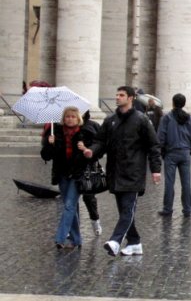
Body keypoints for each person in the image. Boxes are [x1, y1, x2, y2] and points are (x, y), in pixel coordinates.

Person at [83, 86, 162, 257]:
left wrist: (156, 169)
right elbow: (100, 141)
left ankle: (115, 241)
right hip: (115, 172)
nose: (117, 98)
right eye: (116, 94)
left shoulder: (141, 120)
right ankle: (135, 243)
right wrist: (92, 151)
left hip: (133, 173)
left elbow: (153, 145)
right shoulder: (111, 120)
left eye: (121, 95)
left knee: (127, 210)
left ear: (131, 98)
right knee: (124, 211)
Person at [41, 106, 90, 249]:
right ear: (63, 118)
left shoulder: (84, 134)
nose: (70, 119)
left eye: (73, 116)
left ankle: (60, 238)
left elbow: (92, 154)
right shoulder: (55, 133)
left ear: (78, 118)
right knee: (71, 207)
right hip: (62, 174)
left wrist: (85, 148)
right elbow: (45, 156)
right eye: (67, 116)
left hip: (77, 175)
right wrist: (50, 144)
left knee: (69, 205)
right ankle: (77, 240)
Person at [156, 93, 191, 218]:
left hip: (171, 152)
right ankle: (187, 209)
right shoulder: (189, 119)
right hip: (185, 153)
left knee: (169, 182)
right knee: (186, 182)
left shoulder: (167, 118)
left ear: (173, 103)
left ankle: (167, 208)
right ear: (184, 103)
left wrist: (163, 151)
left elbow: (161, 137)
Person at [80, 110, 103, 235]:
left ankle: (95, 220)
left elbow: (101, 145)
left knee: (88, 196)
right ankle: (72, 228)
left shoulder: (93, 126)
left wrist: (89, 150)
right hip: (72, 167)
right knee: (70, 200)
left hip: (89, 165)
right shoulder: (66, 127)